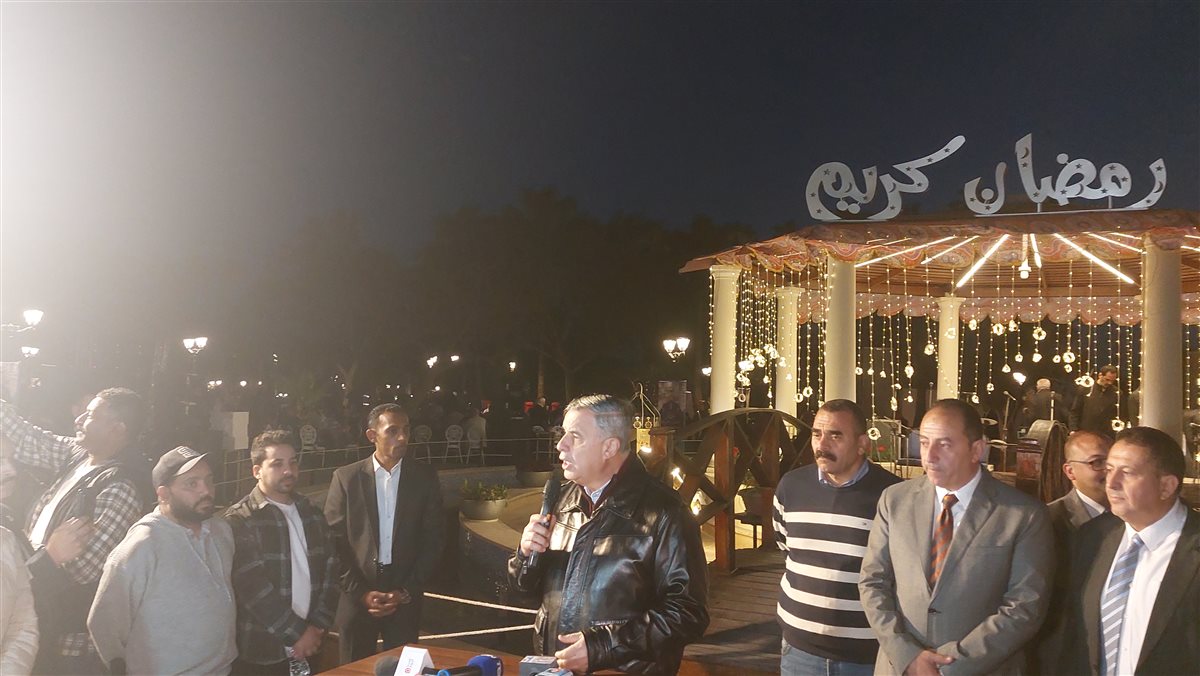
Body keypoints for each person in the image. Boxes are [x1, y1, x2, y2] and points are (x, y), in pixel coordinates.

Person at [508, 394, 709, 674]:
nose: (560, 445)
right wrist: (524, 556)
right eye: (562, 433)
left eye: (575, 436)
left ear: (609, 447)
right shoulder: (559, 501)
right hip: (555, 668)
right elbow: (524, 595)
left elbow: (688, 612)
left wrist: (603, 646)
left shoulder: (665, 512)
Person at [859, 399, 1054, 675]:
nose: (930, 456)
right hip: (901, 666)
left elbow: (1024, 607)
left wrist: (949, 665)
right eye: (924, 442)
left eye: (944, 444)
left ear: (977, 449)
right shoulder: (895, 500)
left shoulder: (1023, 514)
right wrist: (907, 655)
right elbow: (872, 581)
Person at [0, 390, 145, 674]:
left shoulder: (121, 488)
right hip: (27, 621)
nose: (78, 419)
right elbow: (25, 437)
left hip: (66, 645)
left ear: (117, 429)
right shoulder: (78, 455)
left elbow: (77, 574)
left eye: (90, 415)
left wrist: (39, 562)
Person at [772, 399, 901, 674]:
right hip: (799, 651)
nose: (822, 444)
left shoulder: (893, 496)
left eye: (835, 435)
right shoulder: (790, 486)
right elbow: (785, 546)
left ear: (862, 443)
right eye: (816, 434)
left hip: (867, 656)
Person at [1060, 426, 1199, 675]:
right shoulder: (1093, 537)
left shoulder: (1192, 545)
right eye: (1109, 469)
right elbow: (1073, 635)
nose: (1111, 483)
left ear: (1166, 486)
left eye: (1127, 473)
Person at [88, 446, 237, 675]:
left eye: (209, 480)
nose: (206, 490)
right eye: (192, 484)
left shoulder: (220, 530)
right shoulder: (142, 546)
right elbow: (103, 624)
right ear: (164, 494)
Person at [325, 404, 444, 664]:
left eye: (406, 430)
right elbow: (332, 544)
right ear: (372, 435)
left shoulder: (424, 477)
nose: (402, 437)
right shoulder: (346, 479)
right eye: (392, 431)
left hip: (404, 597)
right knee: (355, 668)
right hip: (357, 595)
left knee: (404, 667)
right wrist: (360, 593)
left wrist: (406, 590)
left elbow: (434, 540)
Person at [225, 430, 340, 675]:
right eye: (277, 464)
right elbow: (252, 587)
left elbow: (331, 570)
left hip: (312, 645)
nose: (288, 470)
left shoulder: (311, 512)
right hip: (263, 651)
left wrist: (318, 627)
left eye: (293, 462)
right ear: (256, 471)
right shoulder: (241, 519)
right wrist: (299, 633)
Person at [1032, 431, 1111, 674]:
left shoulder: (1131, 518)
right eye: (1097, 462)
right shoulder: (1047, 522)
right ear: (1070, 471)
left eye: (1113, 461)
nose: (1109, 470)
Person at [1069, 365, 1121, 437]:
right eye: (1107, 380)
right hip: (1085, 432)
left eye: (1112, 381)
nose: (1110, 383)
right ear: (1100, 375)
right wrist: (1073, 429)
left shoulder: (1116, 392)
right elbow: (1075, 411)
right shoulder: (1086, 389)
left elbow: (1118, 415)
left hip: (1106, 434)